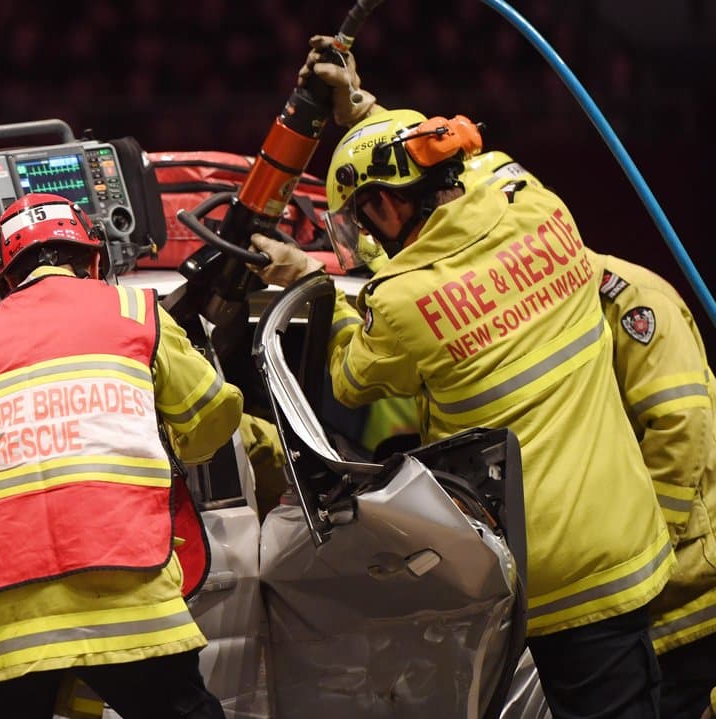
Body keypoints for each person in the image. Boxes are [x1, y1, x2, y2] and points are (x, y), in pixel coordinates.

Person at [244, 39, 678, 718]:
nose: (366, 239)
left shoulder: (401, 300)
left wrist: (310, 279)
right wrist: (365, 114)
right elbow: (457, 173)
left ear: (385, 210)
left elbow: (349, 377)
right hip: (621, 541)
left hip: (537, 573)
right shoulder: (538, 204)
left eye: (362, 219)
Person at [0, 193, 242, 718]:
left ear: (4, 276)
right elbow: (212, 413)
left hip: (3, 605)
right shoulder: (135, 313)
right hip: (122, 581)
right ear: (93, 257)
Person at [466, 150, 716, 719]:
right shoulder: (523, 318)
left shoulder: (627, 297)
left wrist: (648, 557)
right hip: (623, 606)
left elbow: (680, 430)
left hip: (686, 598)